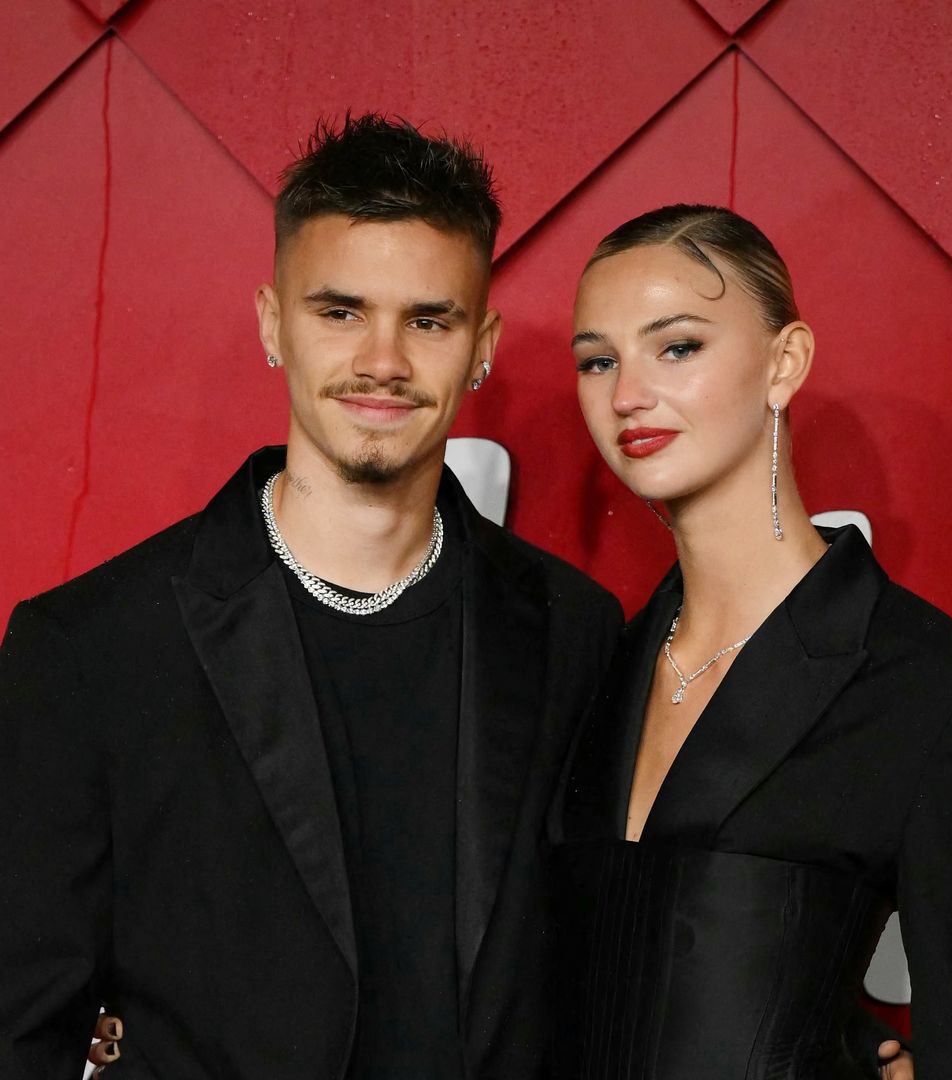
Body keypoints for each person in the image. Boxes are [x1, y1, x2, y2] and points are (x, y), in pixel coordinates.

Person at [0, 113, 623, 1079]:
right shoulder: (90, 648)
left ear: (483, 345)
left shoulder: (572, 631)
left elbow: (602, 979)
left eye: (429, 320)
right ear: (272, 323)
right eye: (340, 312)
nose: (383, 360)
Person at [550, 204, 952, 1077]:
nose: (626, 395)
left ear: (785, 363)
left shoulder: (932, 689)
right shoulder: (588, 661)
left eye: (677, 347)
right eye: (598, 360)